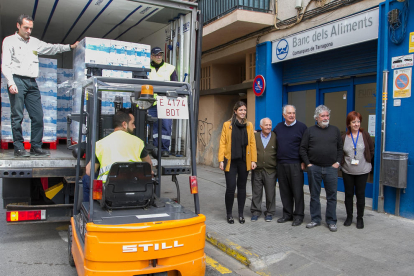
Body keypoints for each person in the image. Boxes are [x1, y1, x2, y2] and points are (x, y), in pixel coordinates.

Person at [1, 14, 79, 157]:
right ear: (18, 26)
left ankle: (35, 147)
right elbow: (5, 64)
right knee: (17, 116)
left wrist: (70, 47)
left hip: (32, 82)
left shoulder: (34, 42)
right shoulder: (9, 41)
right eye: (26, 28)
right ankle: (19, 148)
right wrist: (10, 82)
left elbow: (51, 48)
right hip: (17, 80)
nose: (29, 31)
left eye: (31, 28)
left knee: (38, 116)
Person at [83, 109, 153, 201]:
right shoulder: (138, 142)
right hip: (135, 189)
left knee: (86, 178)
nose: (134, 126)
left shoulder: (100, 144)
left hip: (108, 192)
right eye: (132, 123)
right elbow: (149, 166)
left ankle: (89, 209)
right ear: (124, 124)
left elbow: (89, 171)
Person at [300, 105, 343, 232]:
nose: (325, 118)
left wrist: (337, 163)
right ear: (316, 118)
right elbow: (302, 148)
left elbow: (340, 148)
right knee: (314, 195)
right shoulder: (309, 131)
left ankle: (331, 221)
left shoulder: (335, 130)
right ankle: (315, 219)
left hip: (331, 168)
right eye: (322, 116)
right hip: (315, 168)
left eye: (327, 115)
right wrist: (308, 164)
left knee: (332, 196)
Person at [218, 101, 257, 224]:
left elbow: (252, 143)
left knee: (242, 188)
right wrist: (221, 160)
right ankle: (229, 214)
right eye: (240, 110)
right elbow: (222, 143)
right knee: (230, 188)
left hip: (244, 161)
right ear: (235, 111)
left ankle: (240, 214)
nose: (243, 112)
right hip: (230, 161)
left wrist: (253, 160)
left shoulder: (249, 125)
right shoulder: (227, 125)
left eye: (244, 110)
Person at [273, 105, 307, 226]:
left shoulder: (302, 127)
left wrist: (304, 162)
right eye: (289, 113)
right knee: (284, 191)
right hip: (281, 164)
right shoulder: (278, 127)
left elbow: (305, 146)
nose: (292, 115)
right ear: (284, 115)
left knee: (297, 191)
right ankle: (287, 214)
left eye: (293, 113)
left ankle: (298, 216)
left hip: (296, 164)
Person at [341, 111, 374, 229]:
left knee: (360, 195)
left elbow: (371, 149)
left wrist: (367, 160)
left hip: (363, 170)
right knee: (348, 194)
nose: (356, 124)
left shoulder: (365, 135)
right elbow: (341, 152)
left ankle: (360, 218)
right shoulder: (344, 137)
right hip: (347, 171)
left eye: (358, 121)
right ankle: (349, 216)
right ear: (349, 124)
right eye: (353, 122)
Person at [147, 46, 178, 157]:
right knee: (154, 126)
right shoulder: (146, 68)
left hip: (166, 102)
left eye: (160, 54)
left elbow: (176, 85)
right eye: (156, 55)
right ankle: (155, 148)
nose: (159, 56)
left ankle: (164, 149)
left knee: (166, 125)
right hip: (152, 102)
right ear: (151, 56)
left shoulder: (170, 68)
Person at [251, 118, 277, 222]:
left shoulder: (275, 136)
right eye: (266, 125)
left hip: (271, 170)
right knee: (256, 192)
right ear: (261, 126)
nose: (268, 127)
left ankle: (270, 212)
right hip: (257, 169)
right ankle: (255, 212)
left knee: (270, 193)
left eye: (270, 125)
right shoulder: (255, 136)